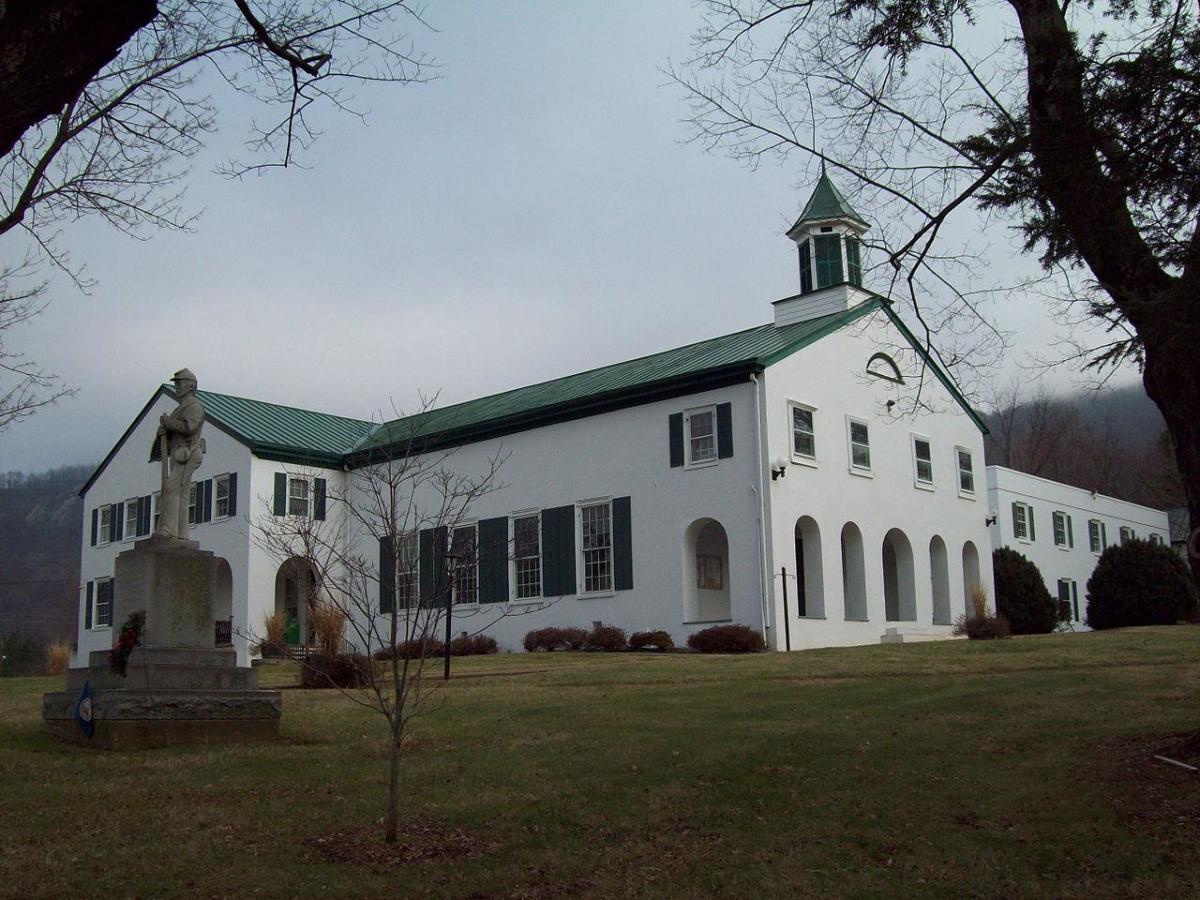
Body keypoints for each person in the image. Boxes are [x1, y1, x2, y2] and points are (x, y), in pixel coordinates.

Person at [152, 368, 206, 539]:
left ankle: (168, 529)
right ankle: (182, 533)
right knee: (181, 494)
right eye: (176, 383)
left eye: (180, 383)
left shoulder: (194, 407)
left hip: (188, 453)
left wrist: (169, 423)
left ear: (191, 386)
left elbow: (189, 427)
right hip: (179, 454)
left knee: (170, 488)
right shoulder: (181, 408)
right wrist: (165, 431)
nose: (177, 386)